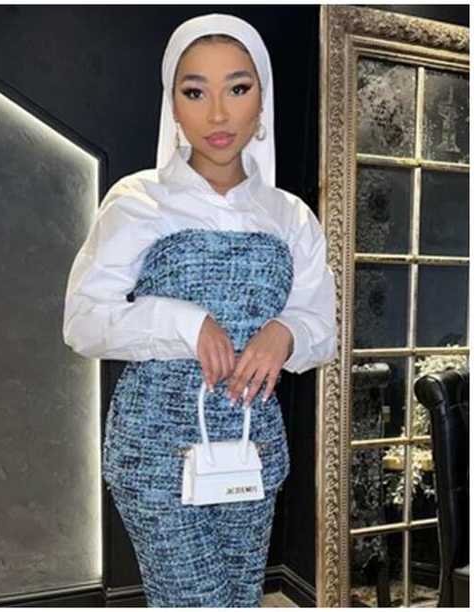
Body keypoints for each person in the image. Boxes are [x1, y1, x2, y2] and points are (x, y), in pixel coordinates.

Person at [62, 14, 336, 607]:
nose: (218, 115)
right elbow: (83, 321)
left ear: (262, 99)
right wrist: (185, 322)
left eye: (238, 89)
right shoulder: (138, 201)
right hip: (156, 455)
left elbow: (322, 324)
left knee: (237, 598)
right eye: (195, 92)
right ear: (175, 106)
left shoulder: (290, 216)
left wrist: (285, 333)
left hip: (252, 449)